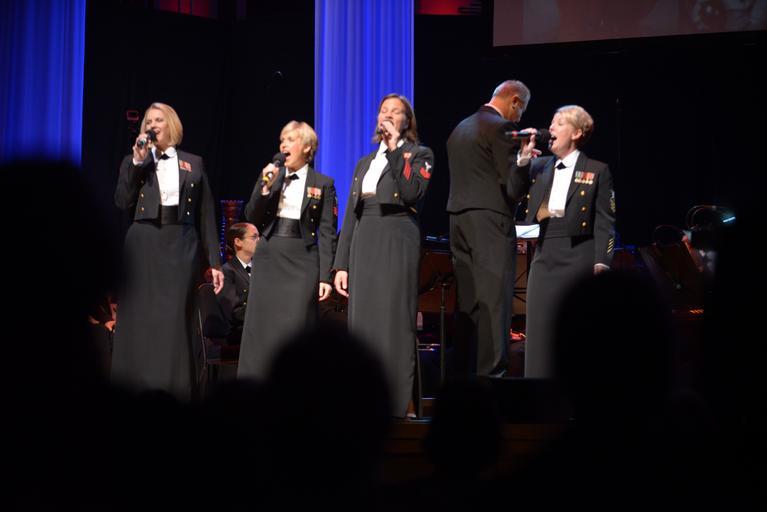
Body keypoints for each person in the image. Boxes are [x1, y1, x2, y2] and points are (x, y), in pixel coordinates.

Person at [112, 102, 223, 401]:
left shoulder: (193, 163)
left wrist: (214, 262)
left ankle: (175, 390)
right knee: (141, 316)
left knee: (174, 318)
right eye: (148, 121)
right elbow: (122, 201)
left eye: (158, 120)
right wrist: (137, 163)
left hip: (181, 244)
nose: (152, 125)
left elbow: (206, 214)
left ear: (171, 124)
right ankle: (135, 388)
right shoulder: (134, 161)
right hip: (144, 243)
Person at [334, 93, 435, 418]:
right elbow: (351, 213)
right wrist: (341, 264)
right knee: (363, 320)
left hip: (397, 235)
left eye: (396, 111)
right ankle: (363, 397)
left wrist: (394, 150)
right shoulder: (364, 162)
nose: (388, 115)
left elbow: (411, 193)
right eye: (383, 110)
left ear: (407, 121)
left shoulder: (419, 154)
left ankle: (400, 402)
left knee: (395, 318)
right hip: (365, 236)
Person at [515, 104, 616, 378]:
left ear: (577, 132)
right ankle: (537, 392)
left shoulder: (596, 170)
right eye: (551, 122)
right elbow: (512, 191)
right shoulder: (538, 167)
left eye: (559, 123)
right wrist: (522, 159)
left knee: (575, 330)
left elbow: (605, 221)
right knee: (538, 331)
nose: (551, 128)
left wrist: (602, 262)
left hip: (579, 254)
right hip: (545, 253)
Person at [237, 121, 337, 379]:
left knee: (297, 325)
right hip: (269, 256)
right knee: (262, 325)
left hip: (302, 260)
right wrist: (264, 187)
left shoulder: (323, 183)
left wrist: (325, 276)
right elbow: (251, 215)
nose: (284, 145)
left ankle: (294, 386)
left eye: (291, 139)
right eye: (282, 140)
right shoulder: (271, 176)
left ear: (307, 147)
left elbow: (327, 233)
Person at [446, 80, 532, 377]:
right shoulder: (501, 127)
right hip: (490, 222)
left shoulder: (460, 128)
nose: (518, 119)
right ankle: (492, 382)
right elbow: (513, 188)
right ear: (514, 101)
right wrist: (524, 161)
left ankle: (463, 383)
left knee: (469, 306)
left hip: (458, 220)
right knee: (495, 304)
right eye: (520, 111)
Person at [218, 222, 258, 345]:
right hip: (240, 333)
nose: (259, 240)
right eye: (254, 237)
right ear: (238, 242)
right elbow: (234, 312)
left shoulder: (262, 270)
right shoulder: (227, 271)